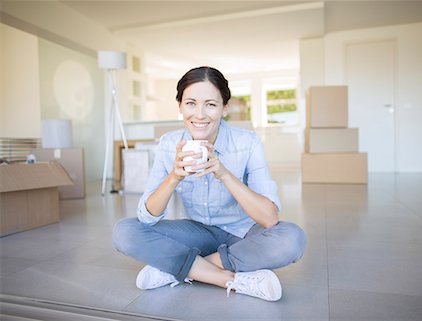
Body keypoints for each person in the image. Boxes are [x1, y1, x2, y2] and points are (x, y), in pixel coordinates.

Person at [113, 66, 307, 302]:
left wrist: (223, 173)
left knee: (292, 239)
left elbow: (269, 218)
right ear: (180, 106)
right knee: (124, 232)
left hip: (242, 234)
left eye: (211, 104)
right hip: (196, 232)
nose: (200, 115)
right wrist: (174, 176)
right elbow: (147, 217)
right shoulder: (168, 144)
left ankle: (179, 267)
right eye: (191, 103)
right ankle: (231, 279)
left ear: (225, 107)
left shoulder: (247, 143)